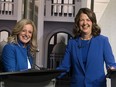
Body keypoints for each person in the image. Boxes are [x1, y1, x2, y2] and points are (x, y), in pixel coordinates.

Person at [56, 7, 116, 87]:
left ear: (92, 22)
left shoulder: (103, 41)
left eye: (88, 20)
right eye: (81, 20)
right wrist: (48, 75)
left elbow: (111, 64)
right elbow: (64, 67)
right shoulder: (72, 43)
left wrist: (112, 69)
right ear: (78, 23)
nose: (85, 23)